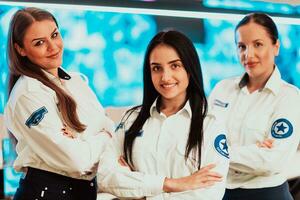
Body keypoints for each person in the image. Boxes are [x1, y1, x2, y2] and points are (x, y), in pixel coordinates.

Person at [97, 30, 229, 199]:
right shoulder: (132, 119)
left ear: (190, 68)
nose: (165, 77)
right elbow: (105, 177)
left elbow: (209, 194)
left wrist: (140, 194)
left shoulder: (210, 124)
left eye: (175, 66)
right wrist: (171, 184)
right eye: (157, 68)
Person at [4, 7, 114, 200]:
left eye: (55, 35)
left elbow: (110, 128)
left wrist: (83, 139)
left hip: (83, 192)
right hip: (46, 193)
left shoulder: (76, 81)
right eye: (39, 43)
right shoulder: (28, 95)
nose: (53, 47)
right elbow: (77, 160)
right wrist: (103, 137)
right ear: (20, 49)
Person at [208, 13, 300, 200]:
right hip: (219, 192)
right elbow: (201, 140)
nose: (248, 55)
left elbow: (271, 161)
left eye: (258, 44)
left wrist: (217, 152)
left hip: (267, 194)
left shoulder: (289, 97)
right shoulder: (222, 89)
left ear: (276, 46)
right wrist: (252, 151)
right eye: (242, 46)